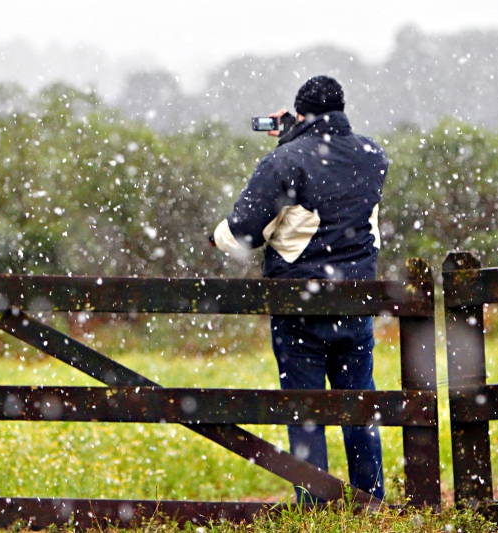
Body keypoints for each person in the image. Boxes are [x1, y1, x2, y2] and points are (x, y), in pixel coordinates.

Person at [211, 75, 387, 503]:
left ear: (300, 111)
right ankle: (372, 503)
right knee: (359, 409)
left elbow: (245, 233)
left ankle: (316, 507)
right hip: (355, 302)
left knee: (305, 411)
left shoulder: (286, 160)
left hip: (299, 307)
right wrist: (296, 136)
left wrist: (214, 236)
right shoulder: (373, 155)